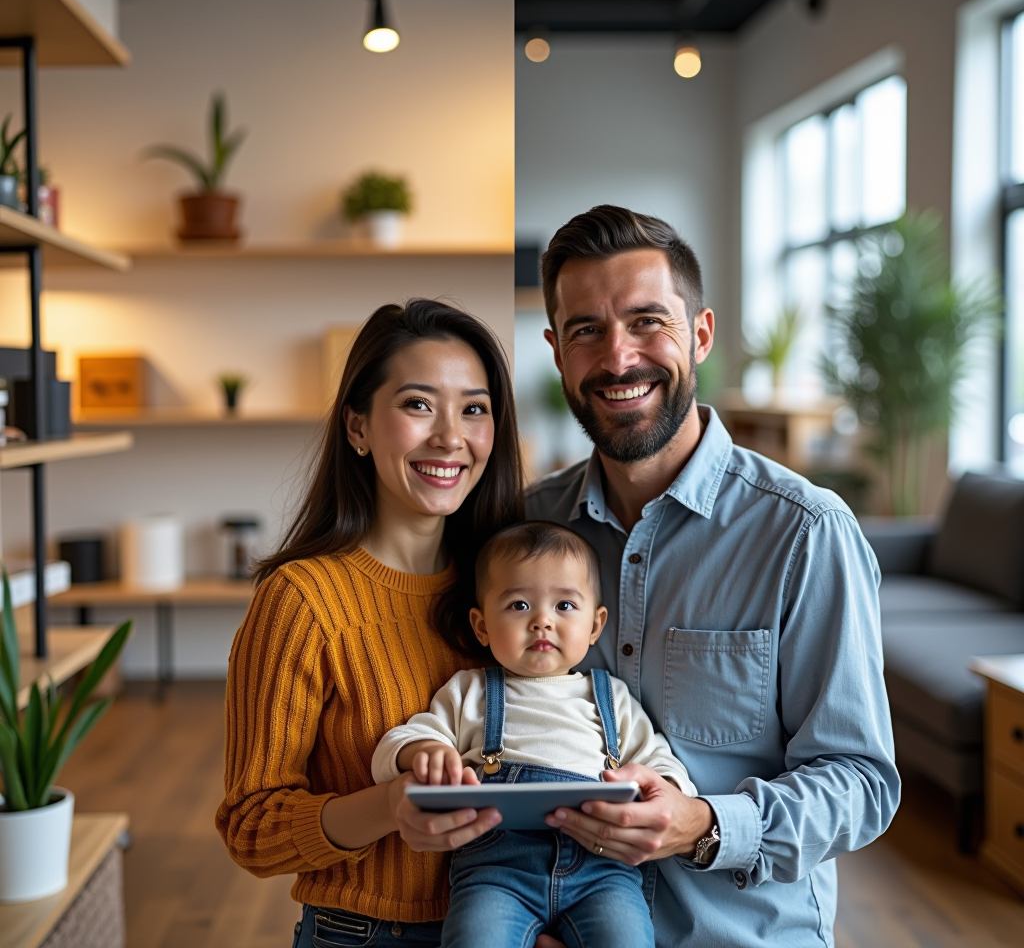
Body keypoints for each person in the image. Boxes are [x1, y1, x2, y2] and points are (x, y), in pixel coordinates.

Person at [525, 205, 900, 948]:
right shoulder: (527, 532)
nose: (619, 358)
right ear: (557, 353)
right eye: (586, 331)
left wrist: (704, 825)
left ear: (700, 334)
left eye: (646, 322)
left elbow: (859, 780)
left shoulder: (804, 532)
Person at [216, 299, 523, 948]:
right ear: (357, 428)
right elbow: (251, 827)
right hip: (367, 934)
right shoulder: (300, 601)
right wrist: (389, 809)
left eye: (474, 409)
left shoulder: (512, 590)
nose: (450, 437)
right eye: (418, 405)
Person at [372, 521, 697, 948]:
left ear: (595, 625)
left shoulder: (610, 697)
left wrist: (666, 786)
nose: (542, 621)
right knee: (474, 939)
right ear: (482, 625)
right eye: (519, 606)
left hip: (603, 873)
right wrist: (422, 751)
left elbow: (661, 761)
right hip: (496, 873)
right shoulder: (470, 691)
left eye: (564, 606)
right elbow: (393, 748)